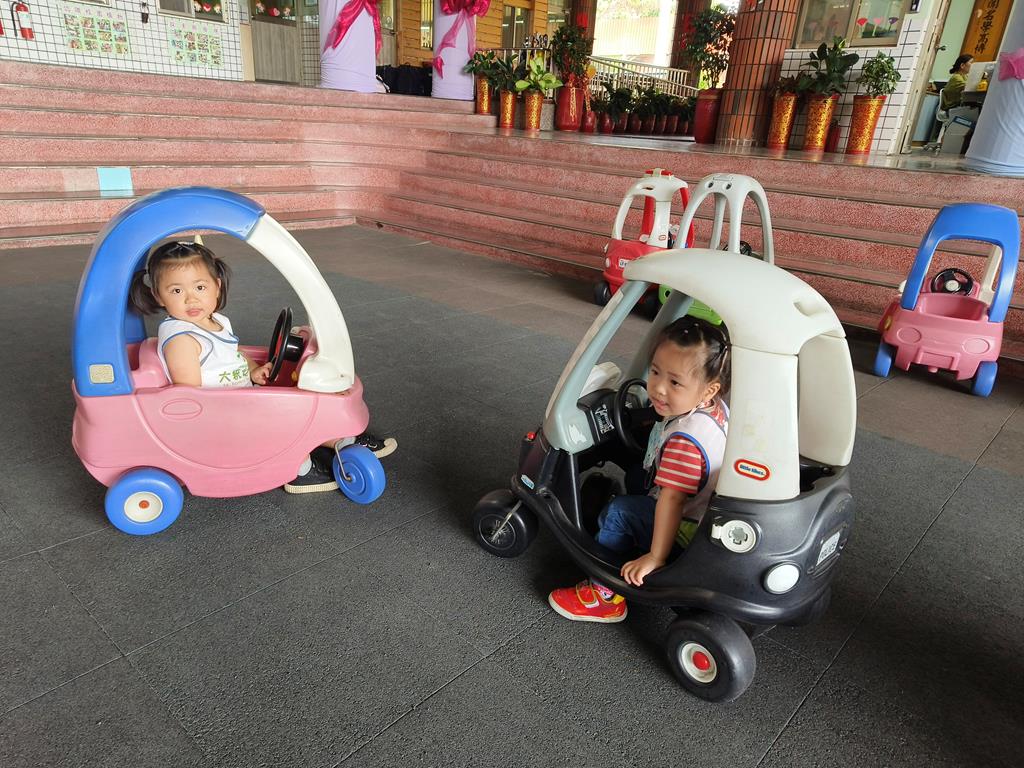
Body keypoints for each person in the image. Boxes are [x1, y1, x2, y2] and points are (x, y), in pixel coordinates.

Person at [128, 239, 396, 495]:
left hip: (240, 400)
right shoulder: (183, 340)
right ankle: (300, 469)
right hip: (222, 416)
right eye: (176, 291)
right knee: (290, 412)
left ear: (217, 286)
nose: (191, 299)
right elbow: (190, 398)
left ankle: (338, 439)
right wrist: (250, 401)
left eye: (200, 287)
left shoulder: (214, 321)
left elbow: (232, 353)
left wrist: (253, 369)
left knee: (296, 393)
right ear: (158, 296)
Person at [547, 316, 730, 623]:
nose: (658, 389)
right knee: (636, 476)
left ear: (708, 390)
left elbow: (672, 500)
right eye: (655, 372)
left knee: (618, 512)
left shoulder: (685, 442)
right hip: (704, 510)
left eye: (675, 382)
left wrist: (656, 557)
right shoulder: (714, 409)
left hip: (686, 529)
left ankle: (604, 595)